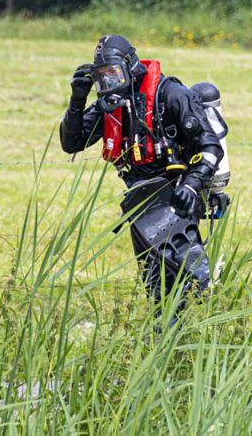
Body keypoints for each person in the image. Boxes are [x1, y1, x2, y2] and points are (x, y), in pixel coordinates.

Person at [59, 35, 228, 299]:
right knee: (155, 285)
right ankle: (167, 335)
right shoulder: (110, 104)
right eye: (101, 77)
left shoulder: (170, 95)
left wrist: (193, 185)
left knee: (189, 283)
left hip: (179, 195)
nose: (108, 84)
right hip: (142, 202)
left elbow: (210, 148)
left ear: (130, 66)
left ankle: (190, 331)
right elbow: (72, 143)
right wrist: (77, 101)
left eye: (113, 75)